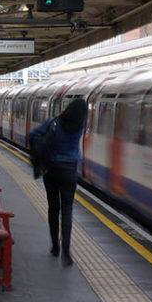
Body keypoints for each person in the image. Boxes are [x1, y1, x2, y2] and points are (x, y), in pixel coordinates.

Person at [28, 97, 87, 264]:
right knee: (67, 210)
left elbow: (33, 135)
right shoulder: (79, 127)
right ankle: (66, 252)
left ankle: (55, 246)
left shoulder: (55, 122)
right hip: (70, 172)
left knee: (53, 209)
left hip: (52, 170)